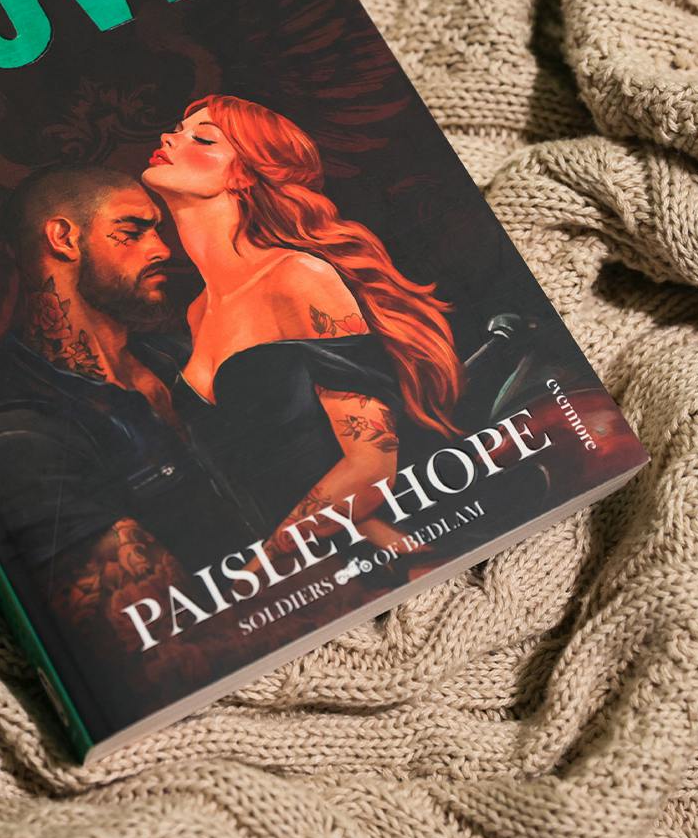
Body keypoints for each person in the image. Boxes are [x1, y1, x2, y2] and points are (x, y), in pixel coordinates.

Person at [0, 165, 245, 707]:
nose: (162, 249)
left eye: (158, 230)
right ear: (64, 239)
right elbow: (167, 655)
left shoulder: (185, 357)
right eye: (132, 232)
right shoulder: (15, 435)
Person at [141, 94, 465, 567]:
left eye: (203, 138)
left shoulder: (298, 278)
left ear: (242, 175)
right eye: (177, 128)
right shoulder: (196, 312)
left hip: (387, 560)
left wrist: (261, 571)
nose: (169, 138)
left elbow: (371, 467)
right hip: (302, 572)